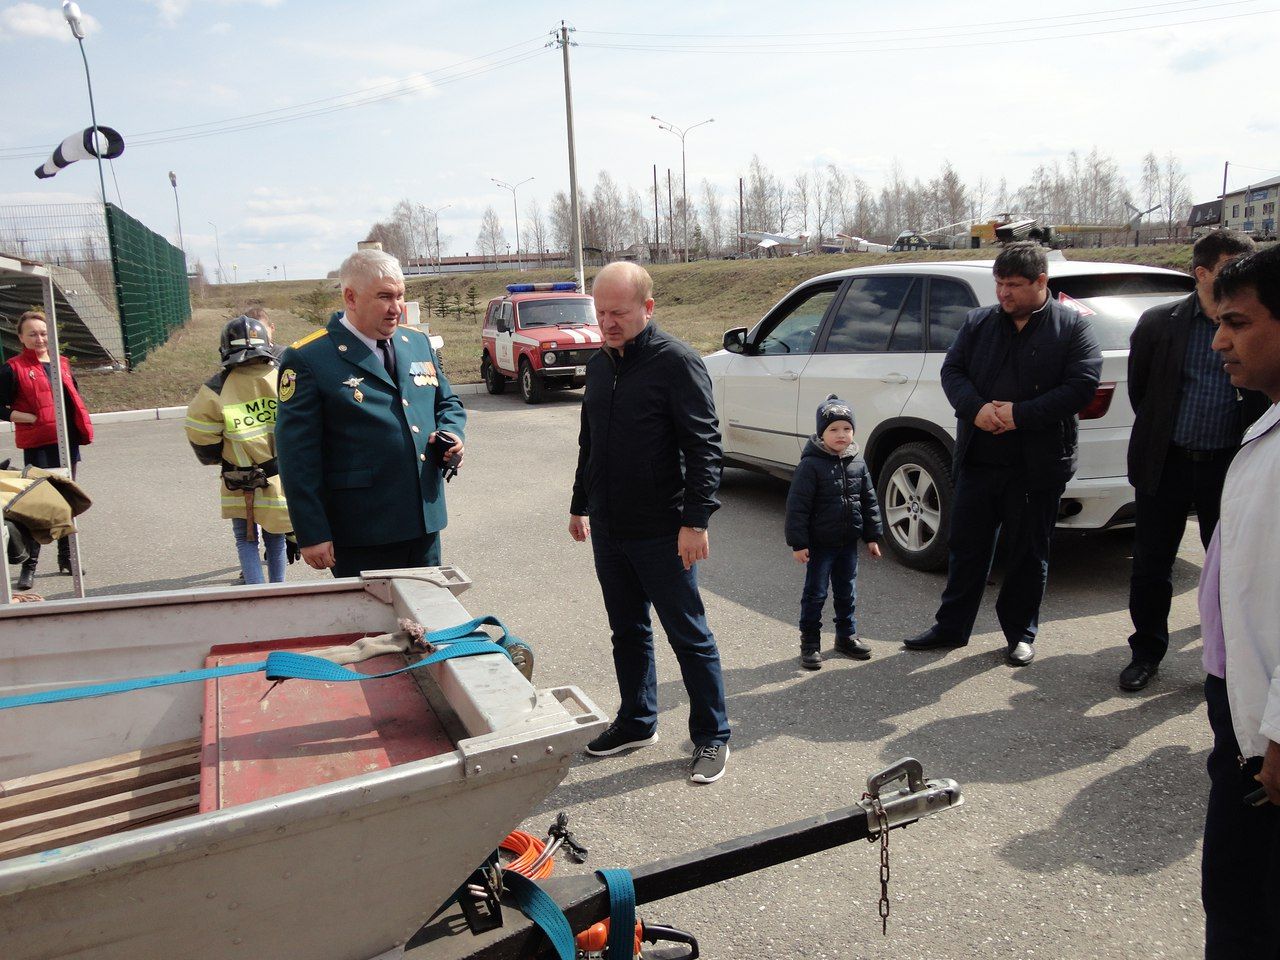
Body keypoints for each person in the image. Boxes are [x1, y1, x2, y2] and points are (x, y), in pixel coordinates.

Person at [569, 261, 731, 785]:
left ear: (648, 308)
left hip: (664, 529)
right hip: (611, 527)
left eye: (619, 312)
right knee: (628, 632)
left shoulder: (676, 363)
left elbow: (704, 447)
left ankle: (712, 736)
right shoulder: (599, 364)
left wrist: (696, 520)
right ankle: (637, 721)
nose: (608, 322)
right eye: (601, 312)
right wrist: (580, 504)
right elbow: (589, 442)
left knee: (688, 634)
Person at [904, 242, 1102, 666]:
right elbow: (952, 371)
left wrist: (1019, 414)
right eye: (999, 283)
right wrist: (975, 410)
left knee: (1029, 552)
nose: (1003, 294)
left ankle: (1019, 634)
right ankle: (951, 628)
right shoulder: (978, 323)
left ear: (1041, 282)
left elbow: (1081, 385)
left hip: (1038, 463)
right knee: (967, 547)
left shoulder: (1072, 328)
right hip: (980, 458)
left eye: (1013, 285)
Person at [1121, 230, 1267, 692]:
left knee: (1228, 567)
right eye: (1228, 271)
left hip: (1229, 465)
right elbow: (1141, 391)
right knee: (1151, 564)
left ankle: (1223, 661)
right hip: (1168, 462)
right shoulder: (1160, 323)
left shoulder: (1253, 325)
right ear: (1201, 274)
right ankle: (1146, 651)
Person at [275, 249, 465, 578]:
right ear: (350, 297)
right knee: (371, 627)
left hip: (423, 520)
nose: (396, 308)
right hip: (362, 530)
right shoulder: (310, 358)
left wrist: (452, 434)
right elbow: (297, 455)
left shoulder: (416, 342)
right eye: (384, 297)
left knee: (425, 621)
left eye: (401, 295)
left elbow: (446, 402)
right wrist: (312, 531)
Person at [1198, 243, 1280, 957]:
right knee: (1232, 894)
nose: (1219, 339)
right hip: (1243, 710)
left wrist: (1279, 734)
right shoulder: (1266, 420)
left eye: (1240, 322)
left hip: (1272, 737)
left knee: (1252, 910)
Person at [184, 315, 291, 584]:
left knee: (246, 540)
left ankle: (255, 595)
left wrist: (219, 456)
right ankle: (278, 591)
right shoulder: (281, 378)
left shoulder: (216, 387)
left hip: (238, 480)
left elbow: (201, 436)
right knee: (275, 537)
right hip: (279, 478)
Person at [784, 394, 883, 670]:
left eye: (847, 429)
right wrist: (799, 542)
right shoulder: (810, 465)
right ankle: (811, 643)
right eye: (834, 429)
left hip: (848, 543)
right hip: (819, 545)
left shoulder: (858, 463)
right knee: (816, 593)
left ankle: (846, 636)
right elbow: (797, 507)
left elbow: (869, 500)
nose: (842, 435)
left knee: (846, 591)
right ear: (821, 433)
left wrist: (873, 536)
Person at [0, 310, 94, 590]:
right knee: (38, 503)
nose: (39, 338)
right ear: (21, 338)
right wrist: (26, 417)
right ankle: (29, 566)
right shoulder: (12, 368)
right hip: (38, 444)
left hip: (67, 441)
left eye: (43, 333)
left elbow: (72, 399)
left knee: (66, 499)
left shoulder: (62, 363)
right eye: (32, 334)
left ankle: (67, 558)